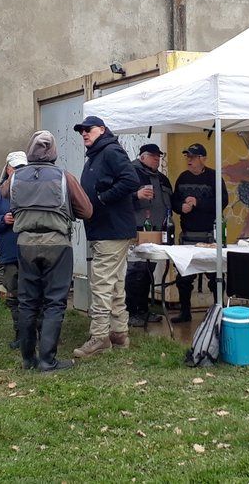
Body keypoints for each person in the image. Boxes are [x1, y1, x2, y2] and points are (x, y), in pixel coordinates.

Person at [4, 131, 92, 371]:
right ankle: (47, 360)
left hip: (25, 245)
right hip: (57, 245)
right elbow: (87, 210)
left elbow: (3, 194)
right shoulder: (64, 177)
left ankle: (28, 359)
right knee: (54, 302)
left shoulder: (16, 177)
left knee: (27, 302)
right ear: (53, 153)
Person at [72, 116, 141, 358]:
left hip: (111, 229)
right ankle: (119, 333)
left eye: (87, 130)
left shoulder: (111, 151)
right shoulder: (95, 155)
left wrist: (101, 199)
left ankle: (100, 336)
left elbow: (131, 180)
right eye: (81, 131)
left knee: (101, 282)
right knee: (114, 283)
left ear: (101, 129)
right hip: (105, 228)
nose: (83, 134)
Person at [170, 142, 229, 323]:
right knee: (184, 276)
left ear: (203, 159)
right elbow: (174, 202)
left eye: (193, 157)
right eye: (187, 156)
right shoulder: (182, 177)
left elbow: (223, 202)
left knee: (215, 275)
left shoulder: (214, 178)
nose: (189, 160)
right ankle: (185, 311)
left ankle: (219, 310)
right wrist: (181, 207)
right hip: (188, 234)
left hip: (209, 233)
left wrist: (198, 202)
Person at [0, 151, 28, 348]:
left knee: (36, 294)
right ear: (7, 168)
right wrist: (3, 220)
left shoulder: (34, 190)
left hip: (33, 252)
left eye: (22, 168)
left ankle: (41, 332)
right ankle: (21, 335)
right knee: (14, 294)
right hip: (10, 253)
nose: (18, 172)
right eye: (16, 168)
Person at [126, 143, 173, 327]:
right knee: (135, 272)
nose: (157, 159)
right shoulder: (131, 173)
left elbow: (172, 202)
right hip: (136, 230)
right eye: (153, 156)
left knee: (148, 272)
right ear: (142, 156)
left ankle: (144, 310)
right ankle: (130, 312)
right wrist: (136, 195)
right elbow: (120, 198)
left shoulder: (162, 179)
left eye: (159, 156)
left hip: (157, 232)